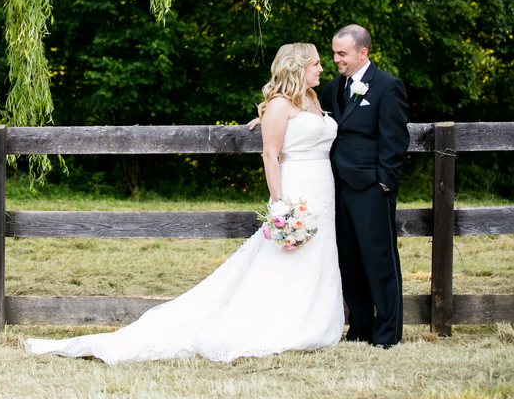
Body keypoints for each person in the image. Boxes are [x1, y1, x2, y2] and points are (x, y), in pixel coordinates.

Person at [24, 43, 344, 364]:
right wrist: (279, 204)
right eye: (315, 64)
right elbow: (270, 155)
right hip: (294, 189)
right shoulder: (279, 105)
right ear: (296, 67)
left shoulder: (314, 100)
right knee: (281, 259)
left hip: (323, 188)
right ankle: (272, 325)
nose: (321, 69)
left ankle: (307, 321)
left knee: (316, 256)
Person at [319, 25, 409, 349]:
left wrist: (384, 184)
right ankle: (359, 328)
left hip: (371, 188)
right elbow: (306, 110)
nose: (335, 60)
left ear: (362, 53)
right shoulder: (333, 87)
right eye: (333, 53)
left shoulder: (387, 86)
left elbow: (396, 141)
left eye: (341, 54)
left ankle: (387, 334)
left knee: (380, 261)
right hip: (338, 189)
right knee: (350, 263)